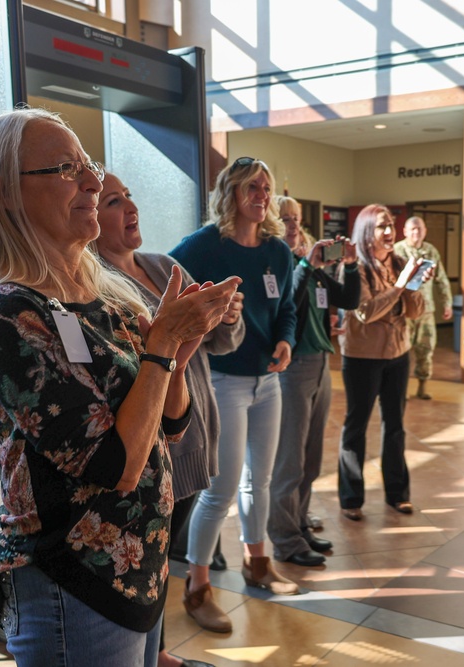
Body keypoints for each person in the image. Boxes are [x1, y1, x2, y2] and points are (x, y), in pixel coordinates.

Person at [0, 107, 239, 667]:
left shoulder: (107, 297)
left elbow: (172, 428)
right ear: (3, 192)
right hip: (71, 581)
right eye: (64, 169)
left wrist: (177, 356)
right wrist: (159, 348)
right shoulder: (4, 311)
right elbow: (115, 466)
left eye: (88, 164)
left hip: (138, 571)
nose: (93, 182)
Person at [93, 173, 245, 667]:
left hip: (193, 434)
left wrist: (224, 318)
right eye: (114, 201)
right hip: (147, 449)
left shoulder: (162, 266)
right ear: (88, 216)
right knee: (147, 561)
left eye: (129, 196)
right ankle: (152, 653)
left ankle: (154, 650)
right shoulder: (92, 284)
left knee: (162, 558)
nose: (129, 208)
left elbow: (220, 346)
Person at [170, 156, 301, 615]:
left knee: (259, 481)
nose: (261, 196)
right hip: (224, 383)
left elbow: (286, 307)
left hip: (269, 384)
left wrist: (286, 340)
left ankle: (257, 562)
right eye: (251, 188)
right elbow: (163, 279)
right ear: (231, 194)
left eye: (265, 188)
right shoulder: (206, 246)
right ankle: (197, 585)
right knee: (221, 489)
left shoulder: (277, 252)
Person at [267, 195, 360, 566]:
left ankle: (299, 523)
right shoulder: (275, 262)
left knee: (310, 458)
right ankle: (286, 539)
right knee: (289, 459)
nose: (292, 225)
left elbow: (348, 300)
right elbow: (285, 301)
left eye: (296, 218)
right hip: (292, 368)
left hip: (321, 363)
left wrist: (350, 266)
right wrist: (307, 263)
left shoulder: (310, 264)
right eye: (284, 218)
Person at [337, 204, 427, 521]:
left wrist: (415, 285)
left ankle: (397, 494)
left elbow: (415, 312)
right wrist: (400, 285)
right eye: (381, 227)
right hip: (362, 357)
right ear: (366, 232)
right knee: (356, 426)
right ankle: (351, 498)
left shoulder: (401, 262)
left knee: (396, 427)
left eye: (391, 225)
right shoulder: (355, 267)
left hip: (398, 354)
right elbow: (365, 312)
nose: (389, 232)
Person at [393, 216, 453, 399]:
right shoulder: (398, 250)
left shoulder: (430, 251)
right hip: (404, 310)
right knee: (401, 351)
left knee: (426, 349)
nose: (416, 233)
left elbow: (441, 278)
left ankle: (422, 387)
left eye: (419, 229)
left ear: (425, 231)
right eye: (412, 229)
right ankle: (400, 389)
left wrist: (447, 303)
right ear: (405, 231)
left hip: (426, 310)